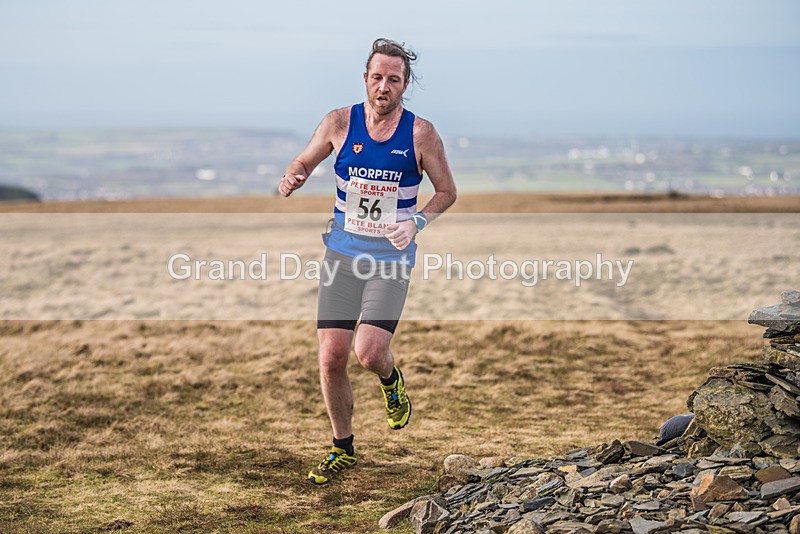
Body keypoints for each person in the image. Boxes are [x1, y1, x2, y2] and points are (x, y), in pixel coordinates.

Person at [279, 38, 457, 484]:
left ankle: (391, 380)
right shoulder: (339, 123)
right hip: (342, 254)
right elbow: (305, 157)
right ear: (365, 79)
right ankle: (343, 448)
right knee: (330, 356)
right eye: (377, 77)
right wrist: (296, 172)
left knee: (368, 352)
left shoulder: (420, 134)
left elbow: (447, 192)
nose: (384, 87)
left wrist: (417, 221)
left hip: (390, 260)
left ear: (404, 85)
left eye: (393, 80)